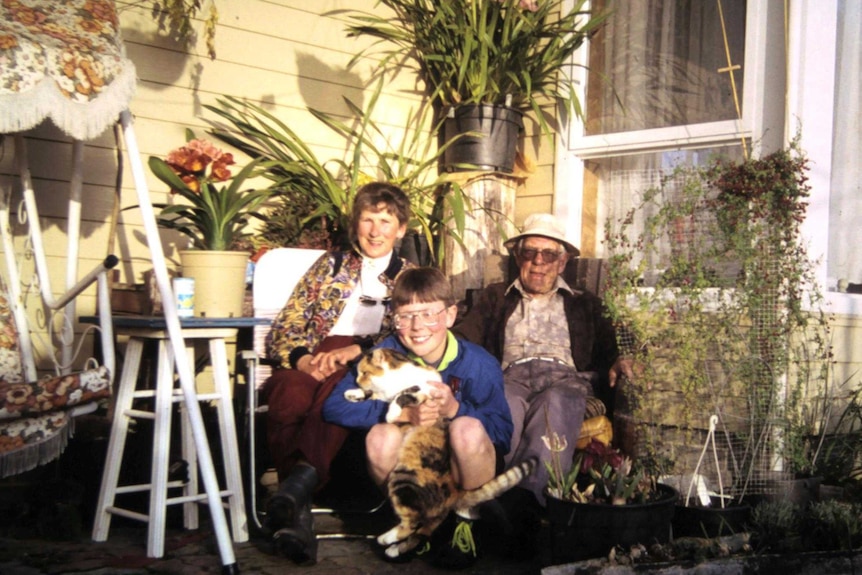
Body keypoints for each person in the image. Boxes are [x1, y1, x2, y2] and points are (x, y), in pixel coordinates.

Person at [262, 182, 414, 564]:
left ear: (401, 229)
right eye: (367, 219)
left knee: (337, 394)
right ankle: (298, 511)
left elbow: (410, 335)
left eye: (385, 221)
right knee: (288, 393)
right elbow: (287, 323)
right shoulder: (329, 264)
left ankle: (295, 502)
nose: (375, 231)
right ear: (356, 224)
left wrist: (358, 350)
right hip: (312, 356)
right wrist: (300, 359)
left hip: (368, 364)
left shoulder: (409, 277)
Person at [323, 267, 513, 569]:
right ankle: (419, 523)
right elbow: (335, 406)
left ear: (450, 316)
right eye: (405, 316)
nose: (417, 326)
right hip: (419, 468)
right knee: (379, 436)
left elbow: (502, 433)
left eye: (428, 314)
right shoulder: (385, 355)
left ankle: (467, 528)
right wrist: (402, 413)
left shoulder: (478, 362)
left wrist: (455, 410)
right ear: (393, 319)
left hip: (466, 467)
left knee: (466, 429)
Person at [454, 213, 634, 514]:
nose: (539, 261)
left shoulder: (585, 303)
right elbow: (464, 338)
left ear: (562, 262)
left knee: (554, 405)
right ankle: (496, 505)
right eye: (530, 252)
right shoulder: (496, 297)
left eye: (549, 254)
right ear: (518, 257)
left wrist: (619, 360)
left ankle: (528, 504)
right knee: (505, 407)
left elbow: (610, 348)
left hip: (565, 379)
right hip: (509, 376)